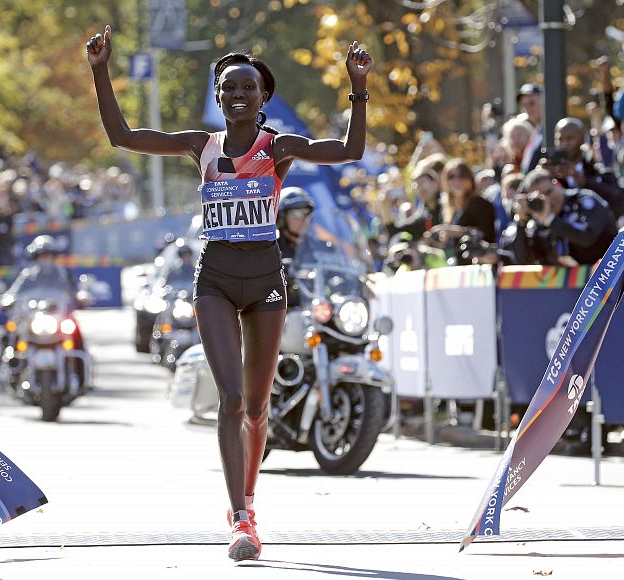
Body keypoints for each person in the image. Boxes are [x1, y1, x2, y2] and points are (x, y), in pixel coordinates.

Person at [87, 25, 373, 561]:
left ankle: (250, 497)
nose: (238, 95)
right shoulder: (202, 146)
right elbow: (123, 136)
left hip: (266, 282)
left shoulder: (279, 148)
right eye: (228, 88)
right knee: (232, 400)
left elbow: (351, 150)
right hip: (216, 278)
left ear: (263, 96)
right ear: (219, 98)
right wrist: (101, 71)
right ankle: (240, 519)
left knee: (259, 408)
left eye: (248, 88)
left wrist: (358, 88)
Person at [517, 169, 617, 265]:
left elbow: (587, 237)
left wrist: (551, 220)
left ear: (557, 184)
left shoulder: (582, 200)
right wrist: (521, 222)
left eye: (549, 192)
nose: (547, 200)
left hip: (609, 273)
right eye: (539, 199)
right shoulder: (538, 219)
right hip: (568, 281)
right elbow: (522, 259)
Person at [276, 186, 315, 261]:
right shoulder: (270, 250)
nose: (304, 219)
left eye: (308, 213)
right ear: (281, 218)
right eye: (296, 213)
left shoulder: (322, 248)